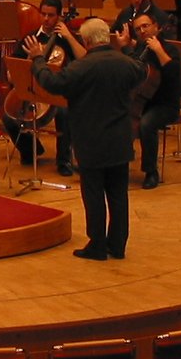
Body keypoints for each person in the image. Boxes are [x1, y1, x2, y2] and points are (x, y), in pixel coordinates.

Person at [33, 17, 147, 262]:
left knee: (94, 196)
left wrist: (38, 59)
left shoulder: (81, 67)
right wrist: (127, 46)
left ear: (86, 40)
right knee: (118, 195)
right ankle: (117, 245)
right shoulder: (125, 63)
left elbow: (51, 83)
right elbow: (141, 68)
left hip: (91, 141)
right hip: (119, 141)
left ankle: (96, 245)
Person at [15, 0, 81, 174]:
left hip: (59, 92)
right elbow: (14, 68)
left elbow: (85, 59)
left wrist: (68, 36)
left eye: (50, 15)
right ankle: (30, 151)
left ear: (59, 16)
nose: (45, 19)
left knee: (65, 112)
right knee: (9, 114)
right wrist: (29, 60)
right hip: (34, 89)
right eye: (43, 14)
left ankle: (64, 160)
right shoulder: (29, 38)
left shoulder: (67, 38)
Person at [121, 11, 181, 190]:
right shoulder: (140, 48)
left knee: (146, 124)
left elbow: (173, 74)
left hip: (165, 105)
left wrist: (158, 50)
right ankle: (117, 165)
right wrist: (126, 47)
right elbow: (132, 72)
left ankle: (151, 172)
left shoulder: (170, 50)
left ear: (156, 26)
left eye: (145, 26)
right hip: (140, 102)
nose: (142, 31)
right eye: (138, 29)